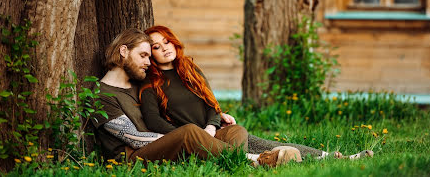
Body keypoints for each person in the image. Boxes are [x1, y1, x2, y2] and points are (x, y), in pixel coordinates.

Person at [140, 25, 374, 161]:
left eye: (166, 41)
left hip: (215, 132)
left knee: (254, 139)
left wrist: (211, 127)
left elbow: (211, 103)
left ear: (174, 42)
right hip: (192, 141)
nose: (165, 48)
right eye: (156, 47)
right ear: (151, 55)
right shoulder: (150, 84)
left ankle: (335, 158)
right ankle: (251, 162)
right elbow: (154, 122)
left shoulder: (189, 69)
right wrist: (195, 135)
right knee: (248, 147)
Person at [91, 28, 300, 167]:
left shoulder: (137, 84)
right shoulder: (101, 94)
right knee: (189, 132)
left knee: (234, 131)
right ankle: (257, 160)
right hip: (131, 159)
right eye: (143, 56)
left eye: (149, 55)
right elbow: (133, 139)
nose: (148, 62)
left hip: (166, 145)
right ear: (124, 51)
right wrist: (186, 139)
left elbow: (174, 104)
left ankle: (237, 163)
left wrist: (208, 130)